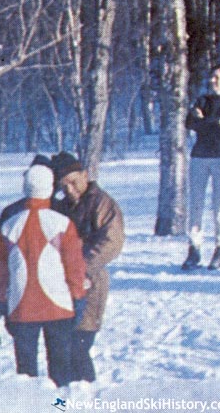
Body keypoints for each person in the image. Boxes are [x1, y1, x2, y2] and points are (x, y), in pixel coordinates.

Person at [0, 163, 86, 388]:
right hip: (59, 306)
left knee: (26, 373)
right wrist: (77, 296)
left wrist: (2, 300)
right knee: (60, 371)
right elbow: (74, 267)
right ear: (50, 187)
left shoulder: (8, 225)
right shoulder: (63, 223)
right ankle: (59, 408)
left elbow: (1, 271)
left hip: (21, 306)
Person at [52, 151, 125, 384]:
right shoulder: (62, 206)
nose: (70, 190)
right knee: (65, 351)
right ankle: (65, 404)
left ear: (85, 174)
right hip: (65, 286)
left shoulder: (102, 203)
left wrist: (81, 266)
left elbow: (112, 241)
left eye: (73, 182)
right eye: (64, 187)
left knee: (79, 347)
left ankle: (86, 401)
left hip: (90, 283)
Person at [182, 64, 220, 270]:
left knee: (219, 207)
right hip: (199, 158)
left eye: (216, 77)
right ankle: (194, 249)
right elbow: (190, 123)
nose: (212, 80)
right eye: (211, 77)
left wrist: (205, 122)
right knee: (195, 205)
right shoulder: (203, 100)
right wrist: (217, 122)